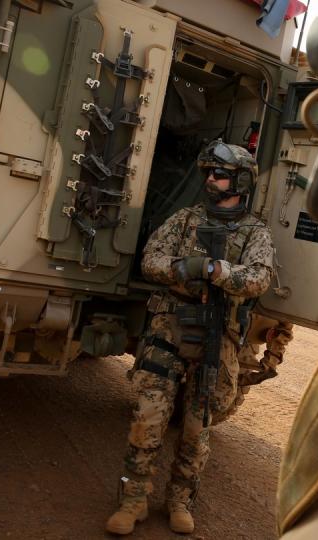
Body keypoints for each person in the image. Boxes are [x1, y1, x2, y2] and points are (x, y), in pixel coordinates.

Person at [106, 140, 274, 535]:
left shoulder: (255, 233)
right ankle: (133, 501)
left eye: (219, 174)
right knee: (148, 418)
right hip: (171, 326)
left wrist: (216, 270)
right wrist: (184, 268)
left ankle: (180, 500)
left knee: (197, 429)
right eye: (209, 174)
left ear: (240, 181)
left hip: (218, 333)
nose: (211, 180)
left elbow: (259, 278)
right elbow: (151, 260)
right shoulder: (184, 219)